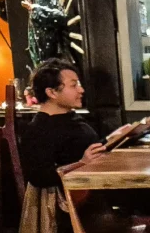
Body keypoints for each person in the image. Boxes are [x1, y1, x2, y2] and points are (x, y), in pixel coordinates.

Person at [19, 59, 104, 188]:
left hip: (92, 189)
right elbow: (39, 178)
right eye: (73, 85)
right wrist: (82, 163)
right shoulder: (38, 130)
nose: (81, 90)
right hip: (68, 202)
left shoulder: (71, 118)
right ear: (52, 92)